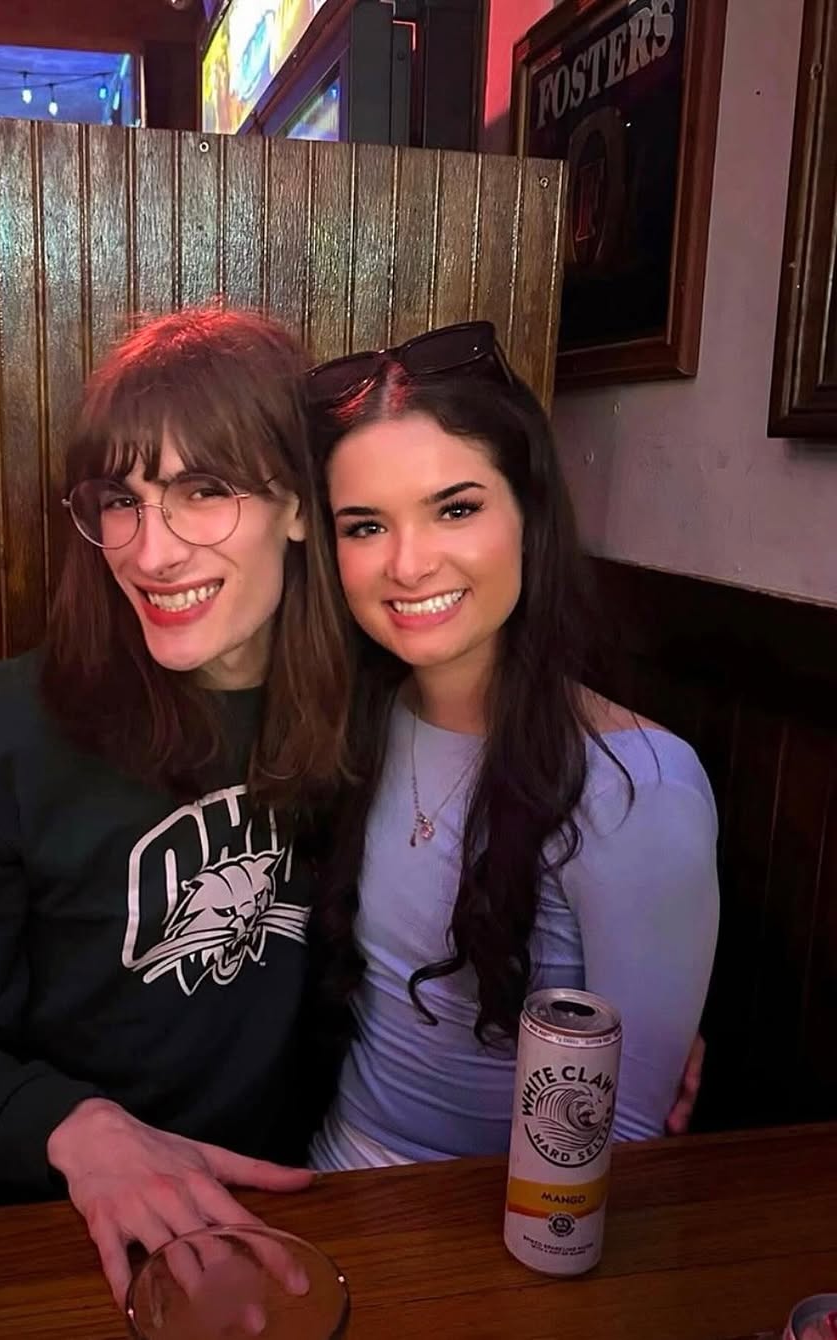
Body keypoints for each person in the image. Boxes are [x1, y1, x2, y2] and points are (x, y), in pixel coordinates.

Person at [0, 308, 352, 1301]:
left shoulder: (364, 709)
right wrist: (76, 1129)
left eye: (204, 491)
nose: (150, 552)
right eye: (121, 499)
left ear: (299, 504)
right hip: (55, 1242)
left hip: (294, 1222)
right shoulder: (12, 728)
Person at [306, 321, 720, 1171]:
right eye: (365, 526)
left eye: (455, 509)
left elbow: (622, 1142)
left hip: (506, 1222)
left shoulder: (638, 785)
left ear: (529, 514)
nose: (408, 564)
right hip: (328, 1184)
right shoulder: (354, 722)